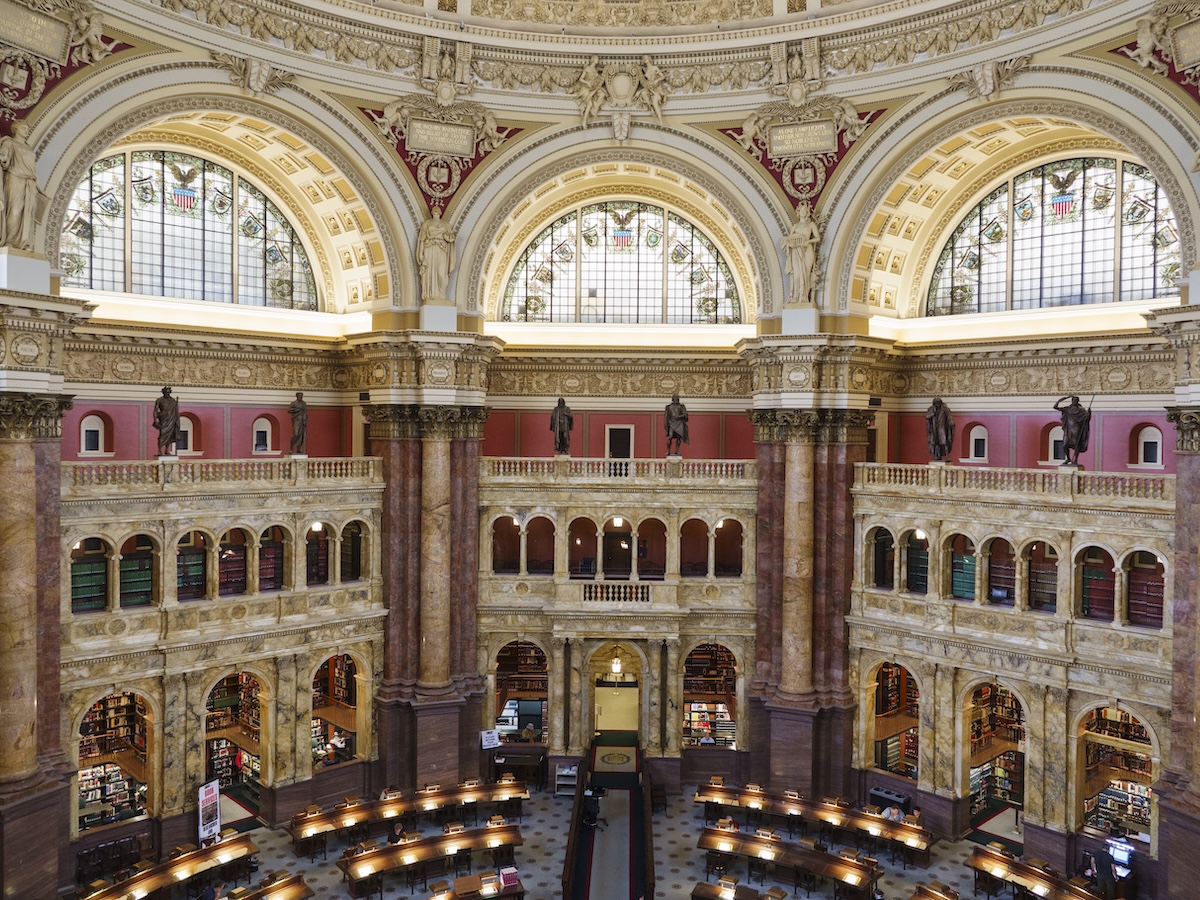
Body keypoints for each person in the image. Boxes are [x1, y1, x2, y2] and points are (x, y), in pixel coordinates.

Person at [0, 120, 41, 251]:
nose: (26, 130)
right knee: (15, 210)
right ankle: (10, 241)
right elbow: (3, 156)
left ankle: (24, 242)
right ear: (15, 129)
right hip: (15, 177)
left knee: (27, 212)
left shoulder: (28, 147)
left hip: (30, 182)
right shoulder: (9, 142)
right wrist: (3, 156)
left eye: (27, 128)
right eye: (23, 128)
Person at [783, 202, 821, 305]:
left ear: (808, 212)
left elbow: (817, 238)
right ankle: (795, 297)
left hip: (807, 250)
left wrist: (808, 242)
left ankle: (804, 297)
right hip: (796, 251)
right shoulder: (795, 226)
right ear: (798, 212)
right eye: (801, 210)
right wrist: (790, 244)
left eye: (805, 210)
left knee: (806, 274)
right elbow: (789, 240)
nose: (803, 212)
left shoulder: (811, 225)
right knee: (797, 275)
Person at [417, 206, 456, 303]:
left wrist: (448, 238)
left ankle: (441, 295)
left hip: (441, 249)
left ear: (440, 213)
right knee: (429, 272)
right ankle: (430, 295)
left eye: (437, 212)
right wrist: (421, 253)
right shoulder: (427, 224)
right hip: (429, 248)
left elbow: (451, 238)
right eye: (434, 211)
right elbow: (422, 239)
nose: (436, 212)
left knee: (441, 273)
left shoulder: (445, 225)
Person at [1054, 395, 1092, 465]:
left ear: (1078, 401)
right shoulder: (1067, 409)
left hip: (1076, 428)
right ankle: (1068, 458)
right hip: (1068, 428)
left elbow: (1086, 419)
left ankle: (1075, 460)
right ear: (1072, 401)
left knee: (1076, 444)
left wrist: (1089, 414)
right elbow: (1055, 407)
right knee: (1065, 445)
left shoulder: (1081, 410)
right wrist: (1062, 399)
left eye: (1076, 400)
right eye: (1073, 400)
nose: (1074, 401)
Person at [152, 386, 180, 456]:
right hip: (163, 420)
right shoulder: (159, 400)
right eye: (165, 392)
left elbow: (176, 411)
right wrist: (155, 420)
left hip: (171, 420)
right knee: (162, 435)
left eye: (168, 392)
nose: (167, 394)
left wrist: (177, 420)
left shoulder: (173, 401)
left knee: (169, 436)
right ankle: (159, 450)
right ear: (163, 392)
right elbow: (155, 410)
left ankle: (166, 450)